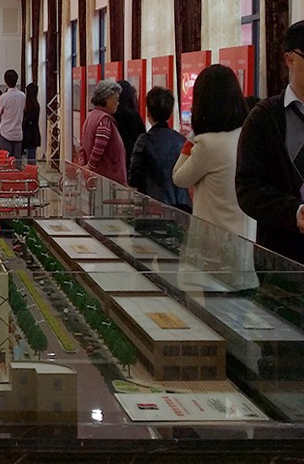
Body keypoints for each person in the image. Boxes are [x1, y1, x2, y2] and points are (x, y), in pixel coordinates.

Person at [173, 64, 256, 290]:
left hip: (213, 247)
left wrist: (192, 137)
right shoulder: (247, 136)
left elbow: (179, 177)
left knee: (214, 304)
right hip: (245, 242)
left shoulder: (207, 144)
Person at [237, 20, 304, 265]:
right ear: (289, 59)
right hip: (280, 259)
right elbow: (248, 189)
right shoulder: (264, 117)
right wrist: (294, 212)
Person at [128, 87, 191, 212]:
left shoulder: (144, 141)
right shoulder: (181, 140)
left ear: (148, 113)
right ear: (170, 113)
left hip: (153, 206)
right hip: (182, 205)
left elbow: (134, 178)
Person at [79, 80, 127, 185]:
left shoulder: (91, 116)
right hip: (107, 178)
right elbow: (99, 147)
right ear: (107, 99)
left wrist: (84, 165)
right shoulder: (104, 120)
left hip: (96, 178)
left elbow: (82, 145)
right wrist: (90, 166)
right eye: (116, 99)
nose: (118, 103)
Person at [0, 70, 25, 163]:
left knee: (6, 161)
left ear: (5, 81)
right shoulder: (22, 96)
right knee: (17, 161)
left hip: (5, 132)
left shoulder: (4, 97)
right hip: (18, 132)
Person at [112, 79, 147, 167]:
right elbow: (142, 139)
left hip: (115, 161)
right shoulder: (134, 117)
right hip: (132, 160)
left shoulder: (112, 116)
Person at [21, 82, 41, 165]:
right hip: (33, 133)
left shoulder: (31, 105)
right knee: (31, 154)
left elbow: (27, 120)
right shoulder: (35, 104)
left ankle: (31, 170)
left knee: (31, 156)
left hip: (30, 134)